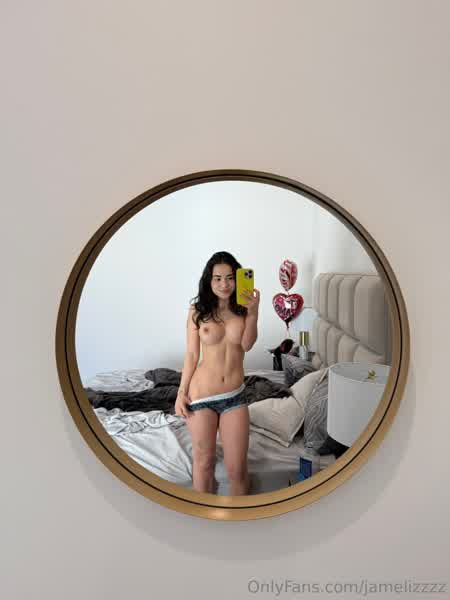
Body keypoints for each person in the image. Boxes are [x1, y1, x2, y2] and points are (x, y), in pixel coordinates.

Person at [174, 251, 260, 496]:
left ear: (238, 279)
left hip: (234, 396)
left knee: (238, 471)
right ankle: (203, 516)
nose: (224, 284)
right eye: (218, 278)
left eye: (230, 278)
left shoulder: (243, 310)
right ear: (209, 280)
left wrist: (253, 313)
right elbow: (192, 355)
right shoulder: (197, 311)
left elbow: (247, 345)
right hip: (201, 396)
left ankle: (239, 517)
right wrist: (181, 393)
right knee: (204, 463)